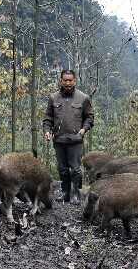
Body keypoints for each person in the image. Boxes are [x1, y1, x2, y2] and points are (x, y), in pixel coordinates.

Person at [42, 70, 94, 204]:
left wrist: (83, 130)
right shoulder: (53, 98)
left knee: (76, 169)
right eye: (65, 80)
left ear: (74, 81)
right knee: (62, 169)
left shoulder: (83, 98)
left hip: (75, 140)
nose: (68, 83)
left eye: (70, 80)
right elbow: (48, 118)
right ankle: (65, 193)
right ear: (61, 81)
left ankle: (76, 193)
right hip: (59, 139)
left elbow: (89, 117)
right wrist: (47, 131)